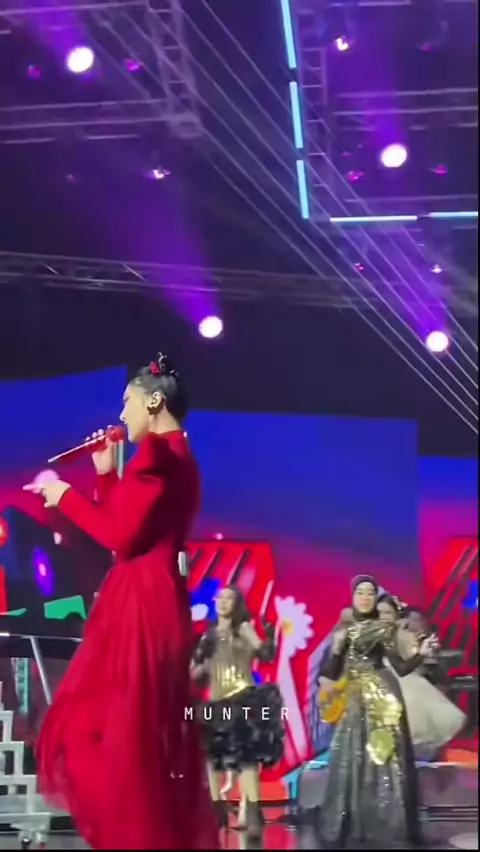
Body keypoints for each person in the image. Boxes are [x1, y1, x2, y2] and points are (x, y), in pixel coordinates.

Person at [24, 353, 219, 851]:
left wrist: (63, 495)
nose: (121, 414)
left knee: (113, 737)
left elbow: (119, 536)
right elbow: (130, 534)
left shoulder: (157, 458)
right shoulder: (176, 454)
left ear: (153, 402)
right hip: (154, 601)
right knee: (134, 740)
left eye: (127, 401)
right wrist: (106, 476)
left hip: (141, 608)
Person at [317, 575, 438, 848]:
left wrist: (421, 653)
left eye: (370, 593)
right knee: (353, 759)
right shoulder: (345, 631)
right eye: (360, 592)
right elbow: (329, 674)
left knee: (385, 759)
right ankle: (357, 823)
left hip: (383, 698)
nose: (365, 597)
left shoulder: (383, 628)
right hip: (356, 699)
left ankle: (388, 824)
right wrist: (336, 649)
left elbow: (401, 668)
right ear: (352, 597)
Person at [191, 585, 284, 840]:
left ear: (237, 603)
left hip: (242, 700)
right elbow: (196, 672)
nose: (223, 602)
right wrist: (194, 664)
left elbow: (265, 654)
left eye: (229, 597)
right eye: (220, 597)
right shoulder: (207, 636)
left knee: (246, 759)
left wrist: (264, 637)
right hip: (215, 704)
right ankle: (216, 811)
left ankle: (252, 813)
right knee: (212, 760)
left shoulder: (244, 629)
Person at [378, 596, 466, 761]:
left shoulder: (408, 638)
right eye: (380, 612)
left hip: (409, 684)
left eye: (388, 613)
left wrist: (425, 657)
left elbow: (417, 667)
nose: (383, 616)